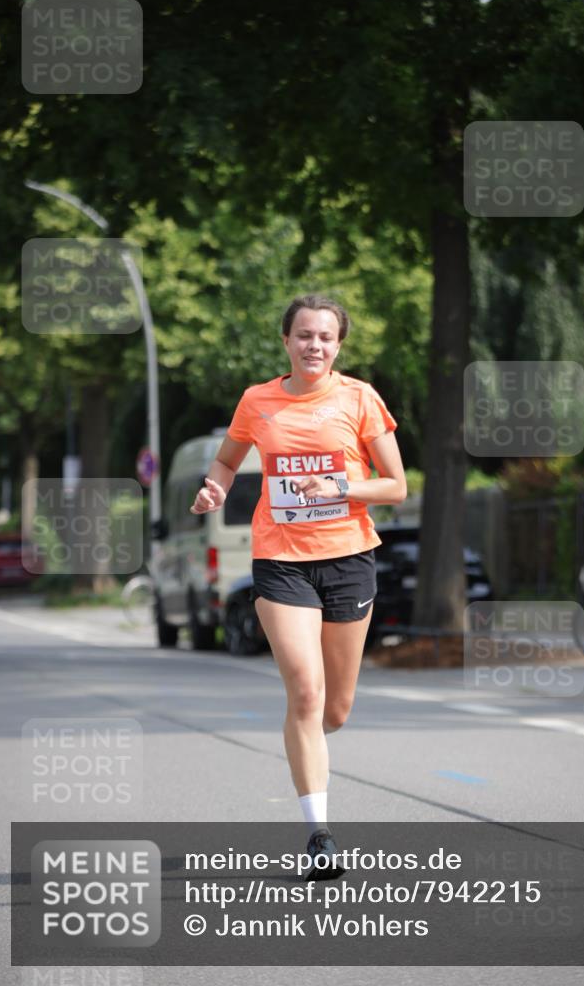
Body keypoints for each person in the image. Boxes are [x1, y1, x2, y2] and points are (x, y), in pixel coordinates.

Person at [190, 294, 406, 880]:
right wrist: (214, 487)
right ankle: (319, 835)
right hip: (280, 560)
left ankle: (308, 730)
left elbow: (395, 486)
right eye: (304, 335)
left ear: (338, 346)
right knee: (306, 694)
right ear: (285, 340)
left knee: (334, 710)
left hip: (348, 560)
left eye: (326, 337)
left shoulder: (359, 398)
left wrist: (340, 489)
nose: (314, 345)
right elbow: (228, 462)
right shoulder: (257, 401)